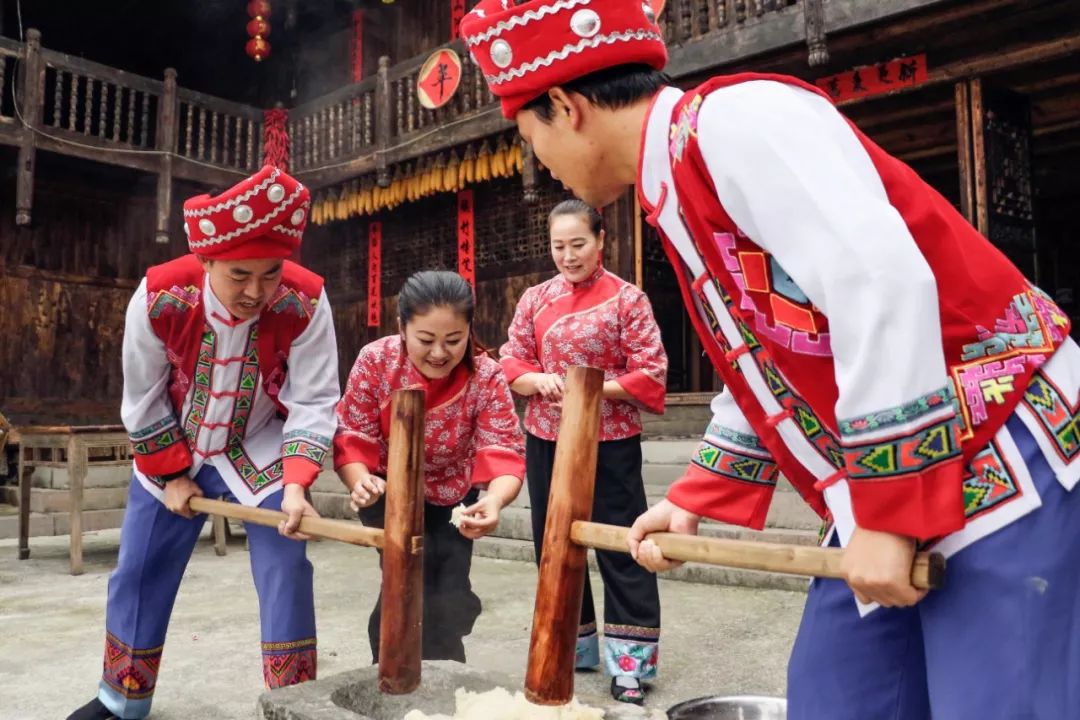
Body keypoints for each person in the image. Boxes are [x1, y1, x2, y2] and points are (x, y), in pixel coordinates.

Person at [461, 2, 1080, 718]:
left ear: (564, 107)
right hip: (885, 484)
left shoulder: (736, 121)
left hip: (997, 455)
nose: (535, 160)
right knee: (837, 693)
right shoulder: (675, 186)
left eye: (526, 133)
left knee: (999, 701)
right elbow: (767, 361)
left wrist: (887, 513)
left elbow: (881, 283)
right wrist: (695, 497)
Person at [69, 166, 340, 720]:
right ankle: (121, 701)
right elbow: (142, 397)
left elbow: (314, 398)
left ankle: (292, 706)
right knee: (140, 569)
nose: (256, 292)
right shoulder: (160, 296)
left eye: (270, 275)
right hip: (174, 446)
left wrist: (297, 486)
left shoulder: (307, 301)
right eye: (240, 274)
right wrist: (170, 474)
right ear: (208, 261)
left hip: (259, 449)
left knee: (286, 568)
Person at [500, 199, 667, 704]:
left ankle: (631, 663)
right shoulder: (534, 298)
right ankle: (575, 645)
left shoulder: (628, 299)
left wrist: (587, 388)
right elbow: (511, 358)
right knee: (553, 544)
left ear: (600, 241)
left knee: (620, 545)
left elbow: (650, 370)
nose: (568, 256)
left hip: (609, 441)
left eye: (578, 244)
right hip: (547, 437)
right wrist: (537, 380)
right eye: (559, 246)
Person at [334, 270, 525, 664]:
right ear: (401, 327)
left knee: (450, 589)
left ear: (469, 328)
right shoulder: (375, 361)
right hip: (387, 491)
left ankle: (440, 668)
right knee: (405, 583)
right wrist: (361, 480)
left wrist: (494, 500)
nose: (439, 353)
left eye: (454, 340)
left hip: (455, 494)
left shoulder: (486, 374)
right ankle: (390, 670)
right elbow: (353, 435)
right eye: (426, 340)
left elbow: (503, 447)